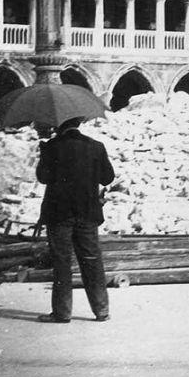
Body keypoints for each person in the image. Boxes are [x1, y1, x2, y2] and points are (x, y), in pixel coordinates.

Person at [36, 117, 115, 323]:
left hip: (59, 213)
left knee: (62, 262)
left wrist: (43, 153)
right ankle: (101, 310)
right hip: (88, 213)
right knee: (92, 260)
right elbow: (107, 177)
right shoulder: (96, 146)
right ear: (78, 122)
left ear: (58, 124)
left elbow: (43, 177)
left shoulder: (51, 147)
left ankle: (62, 313)